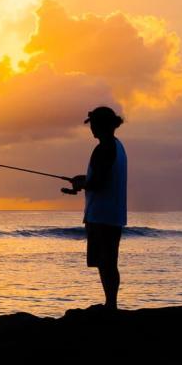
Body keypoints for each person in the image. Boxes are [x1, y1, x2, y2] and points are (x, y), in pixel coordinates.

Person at [65, 107, 127, 310]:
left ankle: (111, 305)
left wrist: (82, 183)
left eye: (93, 123)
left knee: (105, 262)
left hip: (101, 214)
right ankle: (112, 303)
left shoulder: (104, 148)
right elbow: (102, 179)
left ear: (102, 125)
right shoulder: (118, 147)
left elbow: (98, 183)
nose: (91, 127)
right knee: (109, 261)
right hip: (113, 213)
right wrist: (84, 181)